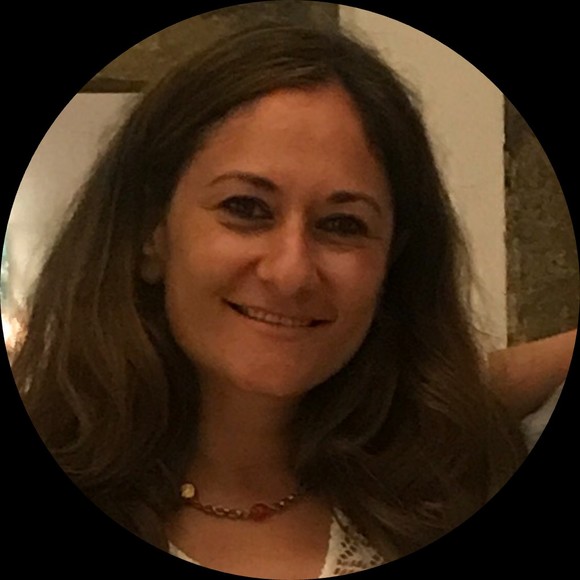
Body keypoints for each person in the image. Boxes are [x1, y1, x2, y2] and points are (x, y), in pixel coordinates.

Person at [10, 21, 576, 578]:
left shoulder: (454, 484)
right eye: (246, 208)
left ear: (392, 264)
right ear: (149, 234)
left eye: (343, 224)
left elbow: (472, 394)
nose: (291, 272)